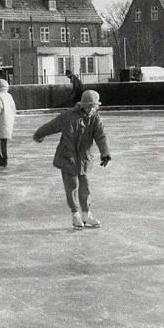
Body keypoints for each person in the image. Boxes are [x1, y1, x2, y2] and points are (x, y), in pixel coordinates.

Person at [33, 89, 111, 229]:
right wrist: (39, 135)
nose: (94, 109)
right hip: (67, 158)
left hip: (84, 158)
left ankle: (86, 214)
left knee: (85, 186)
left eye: (95, 106)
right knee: (72, 187)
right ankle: (75, 214)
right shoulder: (67, 117)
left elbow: (101, 135)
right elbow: (50, 127)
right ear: (84, 105)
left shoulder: (95, 118)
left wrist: (105, 153)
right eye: (91, 106)